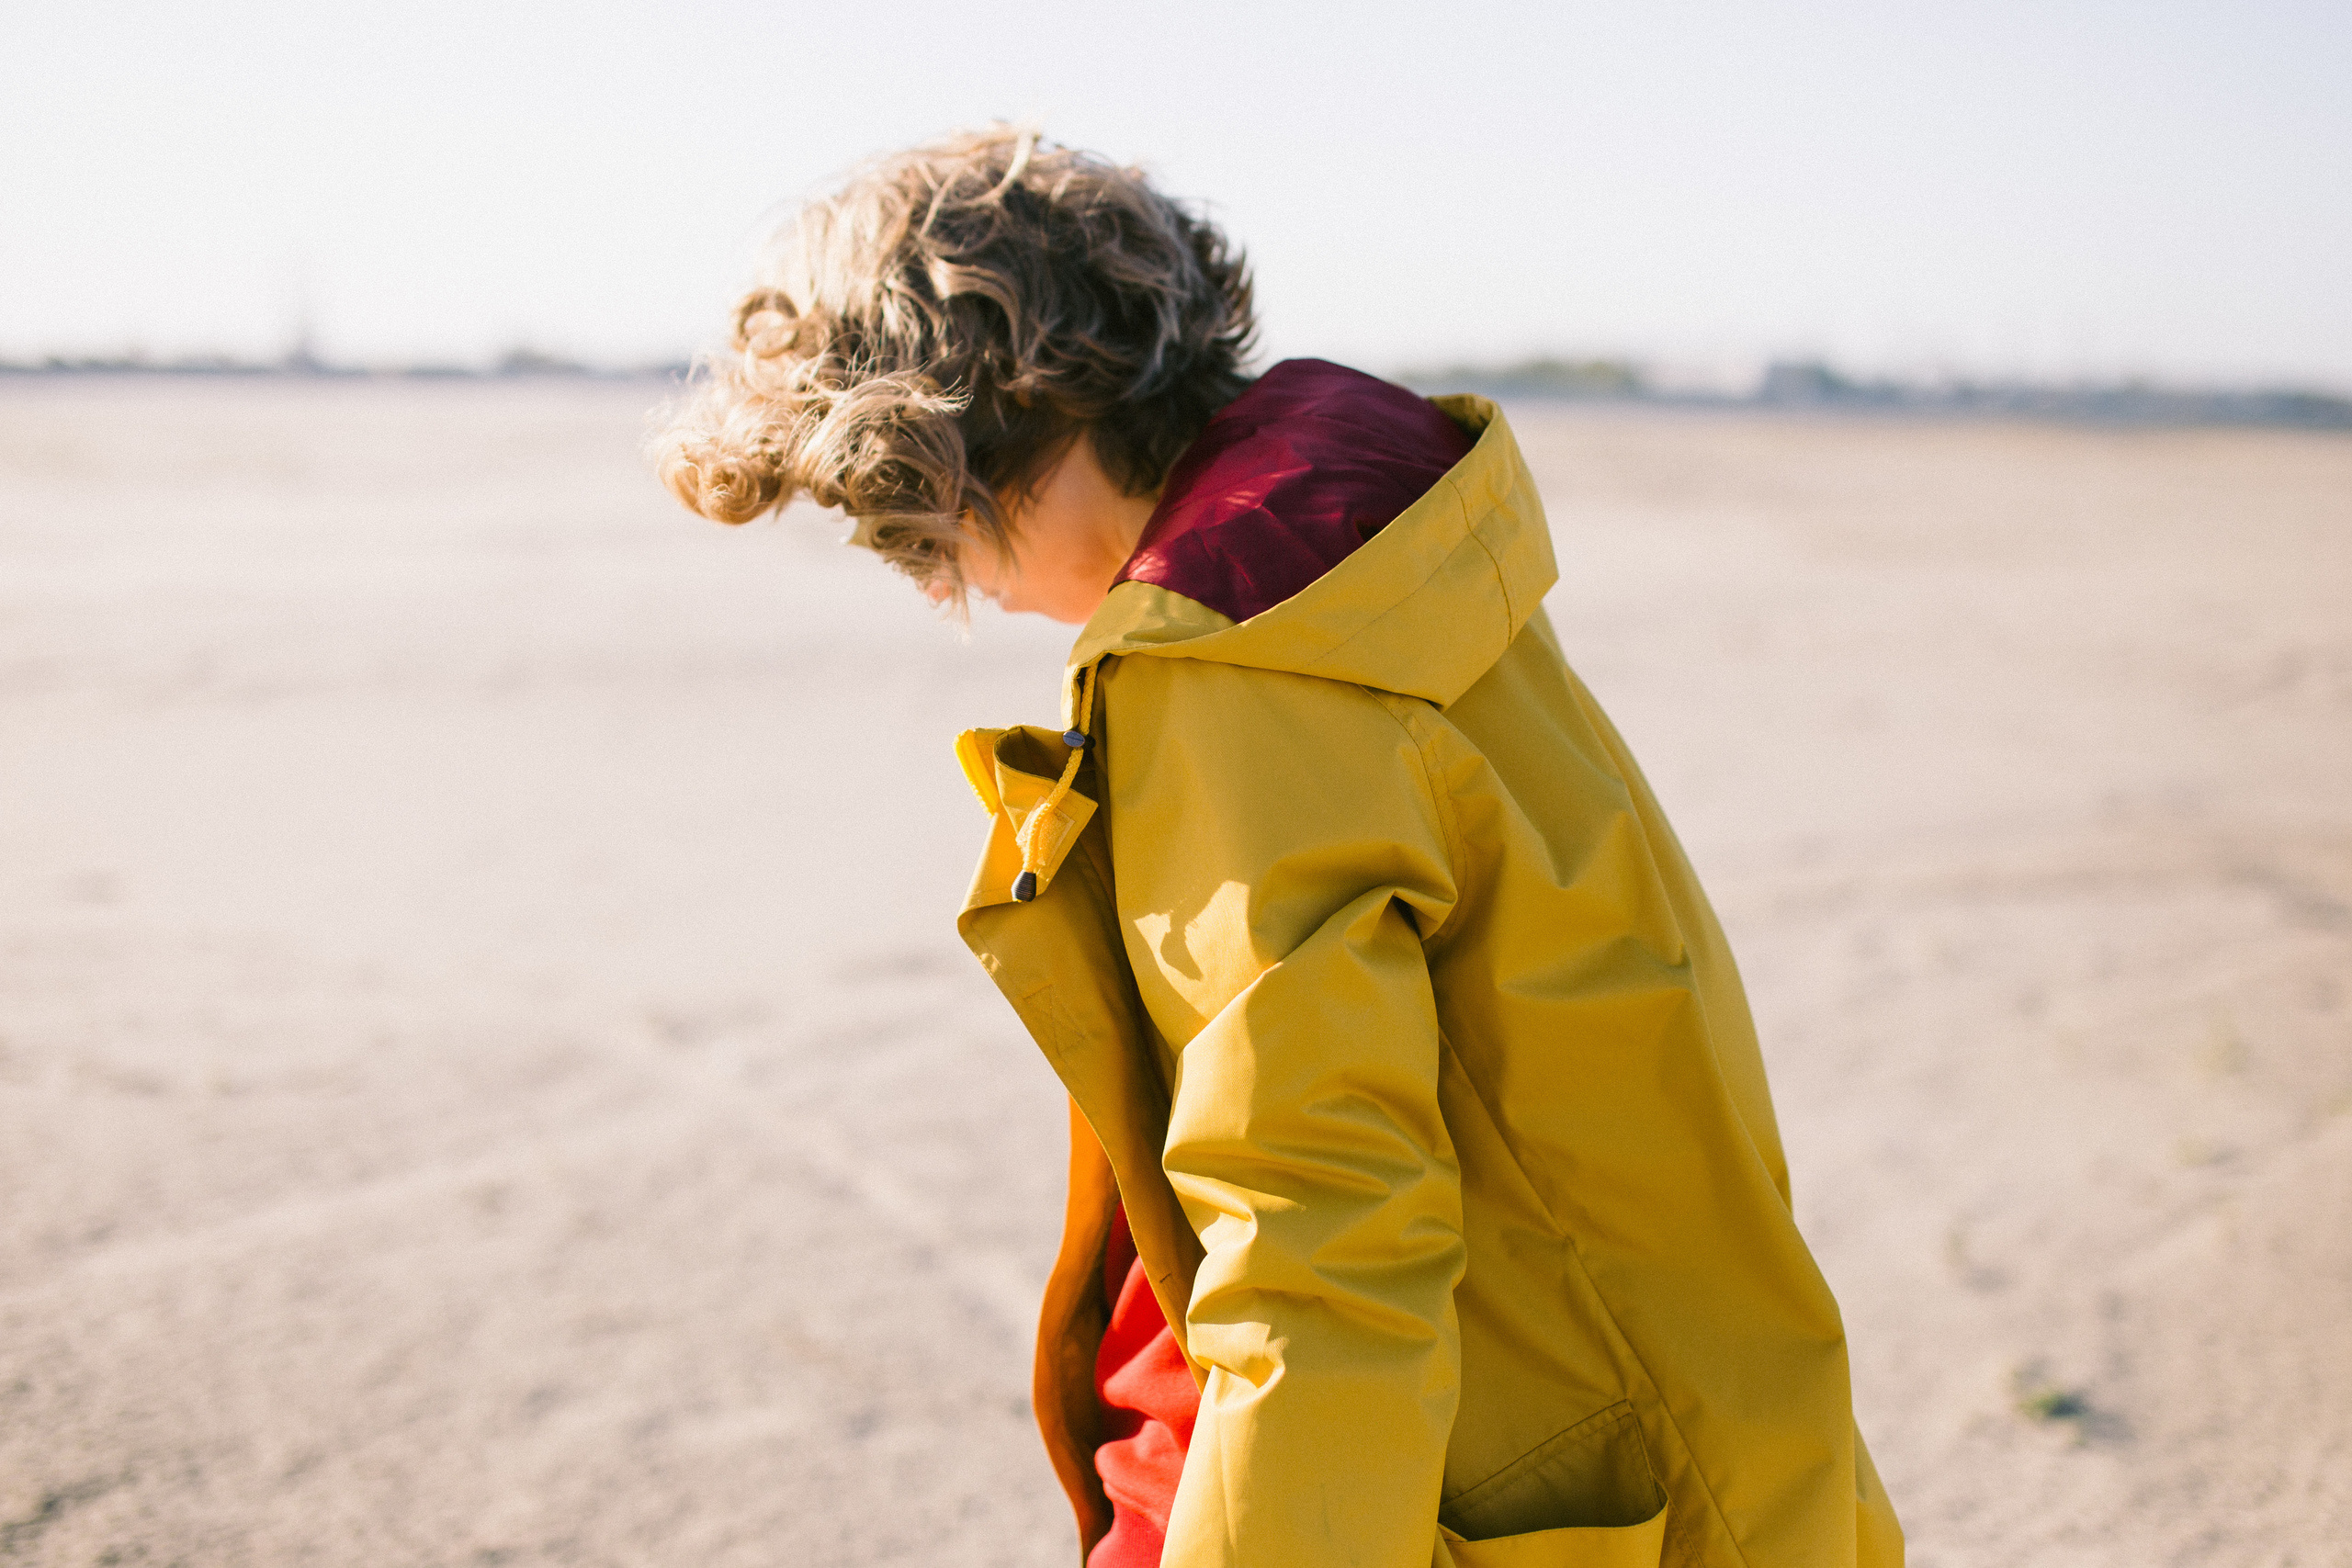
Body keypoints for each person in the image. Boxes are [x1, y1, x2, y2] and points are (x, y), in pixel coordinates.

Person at [655, 125, 1904, 1568]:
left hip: (1460, 1491)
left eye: (901, 521)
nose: (938, 581)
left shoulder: (1237, 666)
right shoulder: (1379, 549)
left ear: (988, 427)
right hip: (1712, 1425)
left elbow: (1320, 1246)